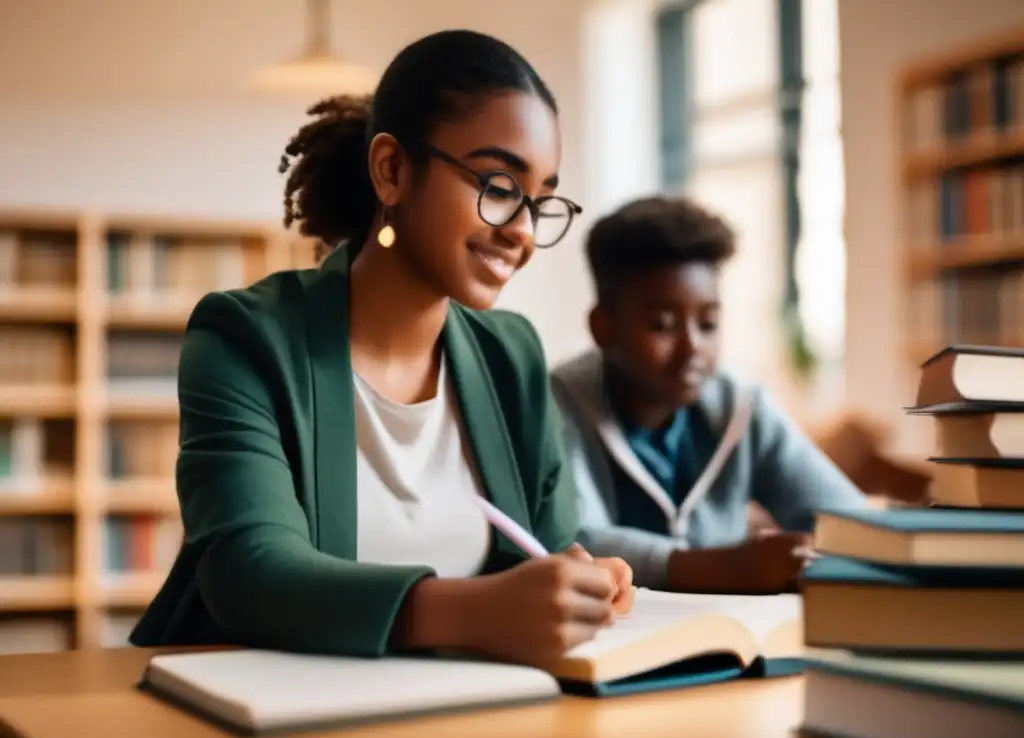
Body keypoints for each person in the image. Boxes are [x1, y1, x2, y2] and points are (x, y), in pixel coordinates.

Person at [129, 30, 633, 666]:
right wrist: (482, 610)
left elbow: (552, 549)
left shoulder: (513, 356)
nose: (523, 233)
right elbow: (249, 572)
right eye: (500, 186)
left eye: (541, 201)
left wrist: (580, 584)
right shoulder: (245, 338)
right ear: (392, 170)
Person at [550, 195, 866, 595]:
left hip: (728, 635)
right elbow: (573, 540)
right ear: (603, 327)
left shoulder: (742, 405)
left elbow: (848, 520)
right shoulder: (556, 404)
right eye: (662, 324)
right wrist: (723, 568)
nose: (692, 347)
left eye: (708, 323)